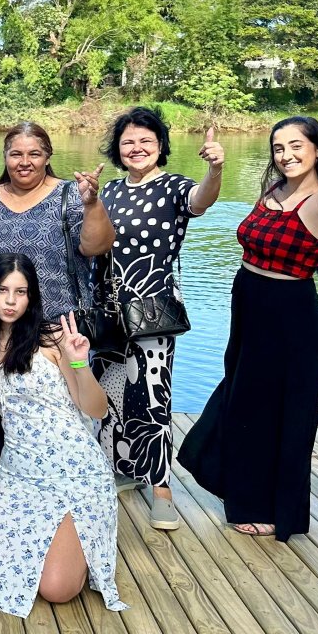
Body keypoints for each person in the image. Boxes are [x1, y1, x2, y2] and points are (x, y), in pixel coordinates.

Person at [179, 77, 318, 541]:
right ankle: (240, 491)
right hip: (249, 307)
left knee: (284, 413)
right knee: (242, 400)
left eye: (297, 145)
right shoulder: (273, 193)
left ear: (316, 150)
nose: (286, 154)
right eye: (278, 146)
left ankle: (273, 509)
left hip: (290, 318)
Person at [0, 254, 124, 617]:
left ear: (31, 297)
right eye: (3, 291)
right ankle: (63, 539)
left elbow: (97, 409)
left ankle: (84, 538)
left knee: (56, 589)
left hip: (76, 471)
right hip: (21, 475)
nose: (11, 301)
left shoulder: (54, 338)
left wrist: (78, 362)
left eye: (21, 292)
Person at [93, 109, 225, 530]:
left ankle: (161, 487)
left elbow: (201, 201)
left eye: (146, 141)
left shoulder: (173, 187)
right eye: (129, 142)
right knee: (110, 391)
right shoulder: (109, 191)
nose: (137, 148)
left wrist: (216, 169)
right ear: (118, 149)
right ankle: (123, 467)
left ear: (161, 146)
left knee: (152, 394)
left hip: (152, 307)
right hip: (108, 308)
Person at [0, 122, 115, 321]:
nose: (24, 162)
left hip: (57, 328)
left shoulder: (74, 195)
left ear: (47, 158)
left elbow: (98, 247)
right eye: (16, 154)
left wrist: (92, 204)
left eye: (34, 154)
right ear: (5, 157)